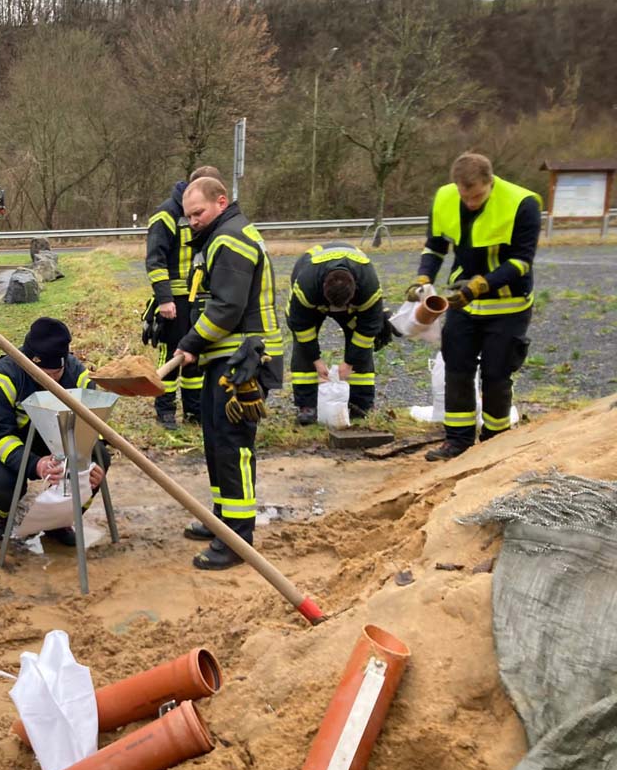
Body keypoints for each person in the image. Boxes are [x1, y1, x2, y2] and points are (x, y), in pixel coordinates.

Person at [174, 176, 283, 571]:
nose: (193, 223)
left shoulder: (230, 239)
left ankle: (238, 539)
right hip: (227, 359)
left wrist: (188, 343)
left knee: (233, 446)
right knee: (217, 442)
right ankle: (223, 522)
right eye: (187, 217)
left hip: (245, 362)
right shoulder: (221, 235)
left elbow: (226, 308)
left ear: (221, 202)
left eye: (198, 213)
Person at [407, 153, 541, 461]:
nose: (470, 202)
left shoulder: (523, 204)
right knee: (457, 369)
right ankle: (458, 441)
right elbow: (435, 246)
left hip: (508, 305)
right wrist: (423, 277)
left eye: (477, 196)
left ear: (490, 183)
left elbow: (521, 262)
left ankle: (495, 440)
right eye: (465, 196)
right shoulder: (445, 198)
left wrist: (479, 286)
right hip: (463, 304)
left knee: (496, 373)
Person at [0, 318, 109, 546]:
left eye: (55, 374)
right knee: (3, 482)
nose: (48, 381)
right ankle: (1, 518)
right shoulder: (2, 376)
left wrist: (87, 467)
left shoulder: (80, 377)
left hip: (50, 435)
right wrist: (35, 464)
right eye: (41, 374)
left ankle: (59, 520)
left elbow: (92, 428)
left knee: (100, 456)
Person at [144, 165, 223, 429]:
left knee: (194, 357)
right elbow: (155, 261)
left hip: (200, 299)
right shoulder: (166, 214)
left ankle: (194, 411)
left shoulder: (208, 216)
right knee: (170, 356)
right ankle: (164, 411)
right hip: (174, 301)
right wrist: (164, 299)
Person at [287, 243, 385, 424]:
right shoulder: (306, 286)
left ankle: (360, 404)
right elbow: (301, 327)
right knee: (302, 344)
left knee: (361, 340)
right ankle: (307, 405)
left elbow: (368, 329)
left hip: (352, 300)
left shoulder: (368, 285)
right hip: (311, 287)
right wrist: (316, 360)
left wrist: (350, 362)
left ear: (355, 289)